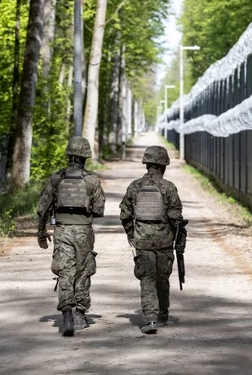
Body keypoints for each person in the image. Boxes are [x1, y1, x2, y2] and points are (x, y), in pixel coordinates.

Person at [37, 137, 106, 336]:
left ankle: (66, 313)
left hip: (62, 230)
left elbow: (42, 209)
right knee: (83, 271)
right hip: (84, 231)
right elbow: (100, 209)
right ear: (85, 157)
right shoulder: (92, 180)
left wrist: (41, 233)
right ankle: (81, 315)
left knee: (64, 271)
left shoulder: (56, 179)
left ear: (68, 155)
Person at [119, 145, 187, 334]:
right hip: (165, 243)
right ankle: (162, 315)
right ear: (163, 166)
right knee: (162, 279)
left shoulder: (135, 186)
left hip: (143, 242)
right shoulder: (168, 187)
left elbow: (125, 216)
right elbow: (177, 220)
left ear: (147, 164)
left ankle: (150, 319)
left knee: (147, 280)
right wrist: (178, 241)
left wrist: (132, 236)